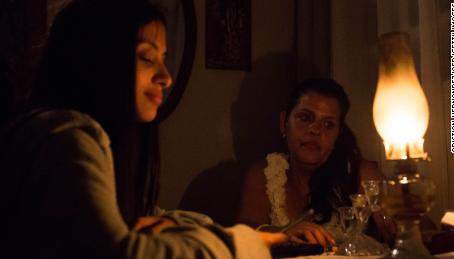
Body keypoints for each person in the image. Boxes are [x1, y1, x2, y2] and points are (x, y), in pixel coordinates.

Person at [0, 1, 287, 258]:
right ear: (99, 59)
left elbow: (132, 219)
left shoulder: (45, 131)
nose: (166, 77)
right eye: (148, 58)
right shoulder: (68, 138)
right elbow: (119, 252)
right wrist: (239, 244)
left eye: (164, 58)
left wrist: (175, 226)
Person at [236, 78, 392, 249]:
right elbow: (243, 237)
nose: (315, 130)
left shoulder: (361, 174)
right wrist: (282, 233)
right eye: (305, 117)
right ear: (284, 122)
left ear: (338, 134)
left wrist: (396, 225)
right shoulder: (267, 175)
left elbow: (416, 227)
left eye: (328, 124)